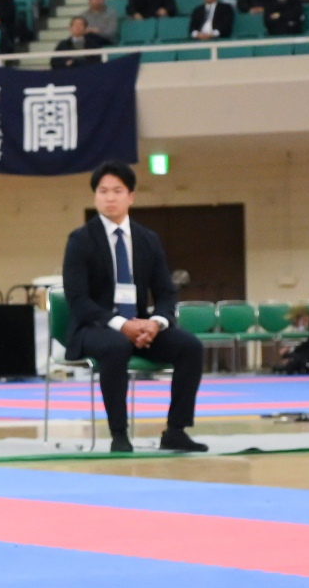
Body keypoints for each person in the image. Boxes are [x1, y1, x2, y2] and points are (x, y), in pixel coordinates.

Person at [60, 162, 204, 453]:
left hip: (140, 326)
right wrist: (120, 325)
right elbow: (78, 300)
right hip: (94, 327)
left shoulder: (147, 239)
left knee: (190, 347)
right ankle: (119, 434)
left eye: (117, 191)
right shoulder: (80, 240)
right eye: (103, 191)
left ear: (131, 197)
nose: (109, 198)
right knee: (116, 346)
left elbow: (165, 292)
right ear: (95, 197)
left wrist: (156, 323)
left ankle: (176, 430)